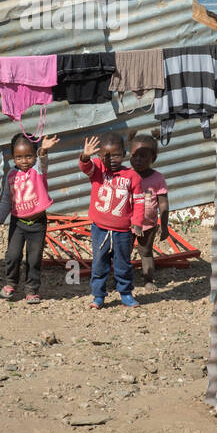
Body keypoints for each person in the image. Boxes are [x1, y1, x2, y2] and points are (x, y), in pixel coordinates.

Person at [0, 132, 59, 303]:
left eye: (28, 156)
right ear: (13, 157)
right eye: (18, 157)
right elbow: (7, 200)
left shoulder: (38, 171)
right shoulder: (11, 175)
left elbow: (42, 162)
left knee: (34, 259)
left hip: (37, 224)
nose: (24, 161)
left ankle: (31, 290)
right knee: (12, 256)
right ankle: (10, 283)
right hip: (18, 223)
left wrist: (43, 151)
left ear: (34, 155)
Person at [79, 132, 144, 310]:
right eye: (105, 155)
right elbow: (86, 167)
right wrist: (86, 156)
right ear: (99, 157)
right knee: (99, 263)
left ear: (124, 154)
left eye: (115, 154)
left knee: (123, 264)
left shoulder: (132, 176)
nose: (111, 159)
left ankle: (126, 294)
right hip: (100, 229)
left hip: (123, 231)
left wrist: (137, 222)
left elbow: (139, 201)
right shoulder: (98, 170)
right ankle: (98, 296)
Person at [127, 130, 169, 286]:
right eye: (134, 155)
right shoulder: (126, 175)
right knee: (122, 254)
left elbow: (163, 203)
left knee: (145, 252)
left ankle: (148, 280)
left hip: (148, 224)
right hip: (127, 224)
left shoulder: (158, 178)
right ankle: (120, 280)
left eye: (143, 156)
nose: (137, 159)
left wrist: (164, 226)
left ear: (154, 158)